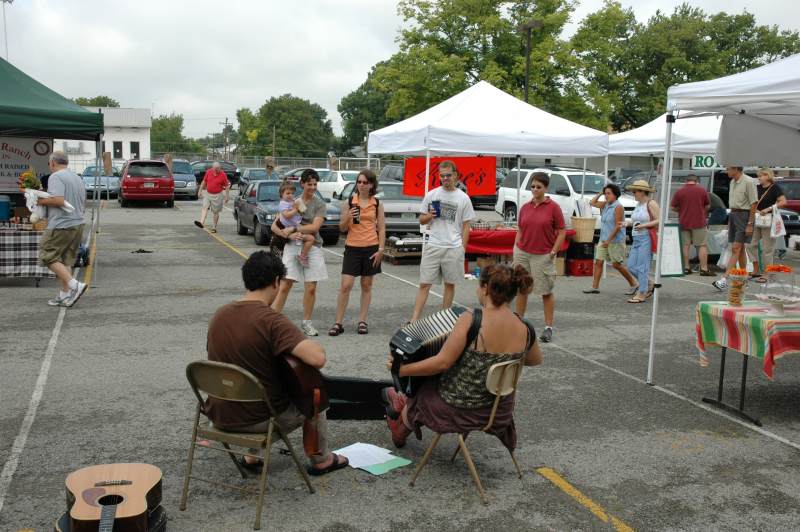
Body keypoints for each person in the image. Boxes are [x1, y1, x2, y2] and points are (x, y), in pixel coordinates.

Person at [204, 251, 348, 475]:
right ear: (276, 281)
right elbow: (317, 359)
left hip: (220, 413)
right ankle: (321, 460)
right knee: (315, 395)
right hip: (258, 420)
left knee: (254, 379)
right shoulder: (271, 321)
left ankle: (252, 458)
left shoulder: (219, 315)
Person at [382, 264, 543, 449]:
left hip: (459, 410)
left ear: (485, 288)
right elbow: (535, 359)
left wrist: (400, 369)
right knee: (442, 374)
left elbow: (442, 363)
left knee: (427, 381)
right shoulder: (525, 327)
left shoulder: (472, 319)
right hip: (497, 411)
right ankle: (401, 408)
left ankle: (401, 422)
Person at [410, 160, 475, 322]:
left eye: (448, 175)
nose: (445, 178)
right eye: (442, 176)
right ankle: (414, 320)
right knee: (424, 284)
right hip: (433, 245)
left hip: (453, 247)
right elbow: (421, 220)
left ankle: (443, 319)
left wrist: (463, 248)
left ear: (456, 175)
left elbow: (467, 225)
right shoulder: (432, 195)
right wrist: (430, 215)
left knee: (450, 284)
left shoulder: (464, 198)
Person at [271, 169, 328, 336]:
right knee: (285, 284)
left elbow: (315, 227)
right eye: (309, 184)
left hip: (312, 245)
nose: (312, 187)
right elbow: (275, 225)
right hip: (292, 244)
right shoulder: (291, 201)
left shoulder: (319, 204)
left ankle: (307, 323)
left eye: (315, 184)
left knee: (311, 287)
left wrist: (295, 228)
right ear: (302, 184)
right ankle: (272, 321)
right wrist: (286, 233)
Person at [329, 169, 386, 336]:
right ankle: (338, 323)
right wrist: (348, 216)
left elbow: (382, 229)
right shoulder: (349, 202)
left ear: (371, 185)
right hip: (352, 247)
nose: (361, 185)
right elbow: (341, 228)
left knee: (366, 285)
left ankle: (362, 321)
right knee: (346, 285)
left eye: (365, 182)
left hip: (371, 247)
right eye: (359, 182)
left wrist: (381, 250)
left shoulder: (377, 204)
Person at [512, 173, 565, 343]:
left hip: (543, 254)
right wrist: (516, 247)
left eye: (538, 187)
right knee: (522, 288)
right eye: (533, 186)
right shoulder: (526, 207)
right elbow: (520, 228)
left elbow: (562, 231)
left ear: (546, 188)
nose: (535, 189)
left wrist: (553, 251)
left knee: (545, 291)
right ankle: (519, 323)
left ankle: (548, 327)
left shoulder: (553, 207)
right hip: (522, 252)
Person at [35, 151, 87, 308]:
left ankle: (75, 285)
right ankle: (64, 295)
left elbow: (58, 200)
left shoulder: (56, 177)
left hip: (61, 224)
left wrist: (38, 199)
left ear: (52, 163)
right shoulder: (76, 177)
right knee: (65, 260)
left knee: (47, 256)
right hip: (77, 223)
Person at [583, 184, 639, 294]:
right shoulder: (606, 205)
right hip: (603, 239)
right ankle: (595, 287)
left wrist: (608, 240)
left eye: (609, 193)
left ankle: (634, 283)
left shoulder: (618, 207)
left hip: (615, 241)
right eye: (606, 193)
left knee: (616, 265)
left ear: (615, 194)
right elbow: (592, 202)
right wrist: (600, 193)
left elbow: (618, 226)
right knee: (598, 262)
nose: (606, 196)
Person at [713, 167, 758, 291]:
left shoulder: (749, 182)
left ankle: (724, 279)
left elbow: (754, 203)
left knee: (735, 248)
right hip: (733, 215)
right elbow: (733, 204)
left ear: (736, 169)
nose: (726, 171)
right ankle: (743, 279)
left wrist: (750, 222)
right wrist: (729, 221)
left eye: (728, 169)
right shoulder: (732, 181)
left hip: (744, 216)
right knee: (740, 249)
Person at [747, 168, 786, 282]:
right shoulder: (757, 187)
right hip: (757, 219)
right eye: (758, 176)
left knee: (767, 249)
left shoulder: (775, 188)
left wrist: (769, 208)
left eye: (761, 176)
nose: (759, 178)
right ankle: (756, 269)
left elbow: (783, 202)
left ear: (767, 176)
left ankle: (767, 273)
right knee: (749, 244)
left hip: (769, 220)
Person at [670, 174, 713, 276]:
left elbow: (673, 207)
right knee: (702, 245)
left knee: (685, 245)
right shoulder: (702, 190)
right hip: (699, 222)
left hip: (684, 222)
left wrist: (681, 210)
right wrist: (702, 211)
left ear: (686, 181)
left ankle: (686, 267)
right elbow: (707, 205)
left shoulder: (679, 191)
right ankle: (704, 269)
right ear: (696, 181)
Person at [625, 180, 660, 303]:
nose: (633, 194)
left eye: (635, 192)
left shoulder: (651, 203)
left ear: (642, 192)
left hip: (646, 237)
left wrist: (644, 225)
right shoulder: (639, 205)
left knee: (642, 267)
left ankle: (642, 293)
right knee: (631, 266)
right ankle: (648, 283)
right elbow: (635, 221)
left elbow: (659, 220)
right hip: (636, 238)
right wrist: (627, 223)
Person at [277, 181, 316, 267]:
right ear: (281, 194)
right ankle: (302, 256)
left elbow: (303, 212)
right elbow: (286, 215)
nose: (290, 195)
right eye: (288, 193)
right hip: (290, 226)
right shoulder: (282, 204)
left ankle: (302, 254)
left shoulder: (293, 202)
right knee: (311, 239)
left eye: (292, 193)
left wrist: (300, 206)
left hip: (296, 226)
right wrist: (295, 209)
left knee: (311, 237)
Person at [194, 162, 230, 233]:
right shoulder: (208, 172)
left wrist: (227, 196)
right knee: (205, 207)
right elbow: (204, 182)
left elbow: (227, 186)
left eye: (218, 169)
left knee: (215, 212)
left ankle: (214, 227)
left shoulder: (223, 175)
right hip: (208, 193)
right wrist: (199, 191)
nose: (216, 171)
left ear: (220, 168)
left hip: (218, 195)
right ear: (212, 168)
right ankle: (201, 222)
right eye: (215, 169)